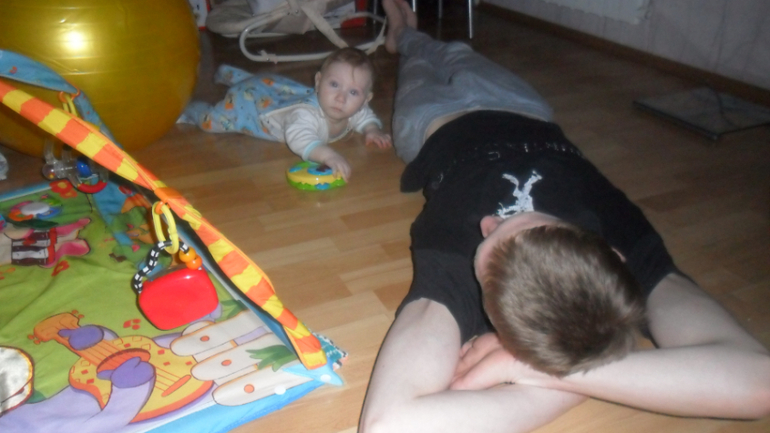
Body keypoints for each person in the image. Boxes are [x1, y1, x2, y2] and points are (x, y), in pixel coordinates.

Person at [358, 0, 770, 432]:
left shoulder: (454, 274)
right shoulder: (620, 245)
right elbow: (760, 380)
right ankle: (413, 31)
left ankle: (404, 34)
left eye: (486, 243)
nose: (487, 223)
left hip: (435, 122)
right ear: (613, 255)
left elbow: (389, 425)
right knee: (459, 53)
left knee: (418, 66)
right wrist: (575, 375)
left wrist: (543, 371)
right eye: (529, 223)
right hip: (522, 108)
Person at [178, 47, 391, 181]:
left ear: (365, 99)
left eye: (353, 92)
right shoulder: (305, 116)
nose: (341, 98)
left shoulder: (354, 108)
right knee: (211, 122)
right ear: (318, 82)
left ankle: (230, 74)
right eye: (334, 84)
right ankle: (189, 109)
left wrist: (372, 129)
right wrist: (329, 156)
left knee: (265, 83)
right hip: (253, 108)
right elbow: (300, 139)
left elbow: (363, 116)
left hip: (276, 91)